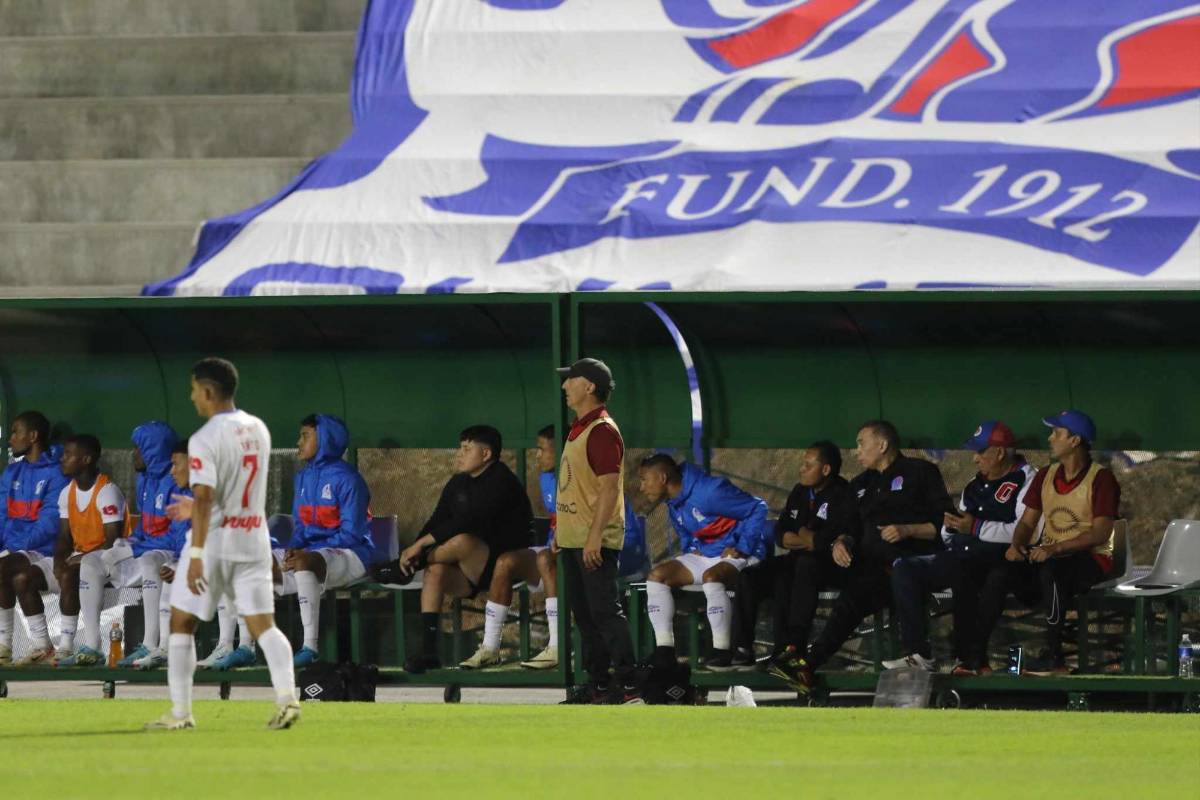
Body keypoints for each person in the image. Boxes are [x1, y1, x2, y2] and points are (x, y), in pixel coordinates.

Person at [145, 357, 300, 731]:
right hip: (254, 540)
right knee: (265, 625)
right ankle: (288, 700)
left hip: (215, 543)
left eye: (194, 390)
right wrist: (195, 506)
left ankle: (181, 713)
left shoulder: (205, 438)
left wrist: (195, 554)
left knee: (181, 622)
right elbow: (229, 489)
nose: (192, 397)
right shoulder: (258, 428)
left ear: (209, 391)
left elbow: (204, 497)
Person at [772, 420, 950, 694]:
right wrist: (841, 542)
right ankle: (792, 650)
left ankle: (808, 664)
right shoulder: (860, 485)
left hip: (909, 567)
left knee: (854, 597)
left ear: (882, 445)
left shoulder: (920, 472)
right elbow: (849, 527)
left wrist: (908, 530)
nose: (856, 452)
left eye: (861, 443)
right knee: (799, 566)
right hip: (864, 565)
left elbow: (945, 525)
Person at [881, 421, 1036, 673]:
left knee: (975, 578)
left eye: (980, 452)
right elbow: (949, 534)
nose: (975, 459)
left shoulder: (1028, 479)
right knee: (906, 568)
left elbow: (1023, 531)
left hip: (1005, 561)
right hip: (964, 555)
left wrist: (975, 528)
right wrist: (951, 528)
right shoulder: (974, 485)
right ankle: (919, 654)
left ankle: (970, 658)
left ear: (998, 452)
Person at [397, 424, 533, 674]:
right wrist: (415, 546)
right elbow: (437, 520)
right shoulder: (458, 482)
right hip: (471, 570)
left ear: (486, 454)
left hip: (505, 566)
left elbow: (468, 521)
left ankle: (413, 565)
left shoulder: (501, 480)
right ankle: (429, 652)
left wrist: (418, 549)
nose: (459, 454)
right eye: (460, 448)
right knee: (435, 571)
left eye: (467, 449)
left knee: (461, 541)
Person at [1002, 410, 1120, 674]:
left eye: (1056, 433)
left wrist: (1053, 549)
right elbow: (1027, 522)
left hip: (1093, 559)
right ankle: (979, 659)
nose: (1050, 438)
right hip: (1050, 556)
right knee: (999, 572)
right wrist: (1017, 544)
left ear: (1075, 441)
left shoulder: (1102, 479)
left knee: (1052, 572)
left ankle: (1053, 658)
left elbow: (1101, 534)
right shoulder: (1046, 474)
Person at [554, 358, 640, 704]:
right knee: (587, 616)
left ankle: (629, 684)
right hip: (574, 540)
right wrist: (560, 532)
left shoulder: (602, 430)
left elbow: (608, 489)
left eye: (570, 380)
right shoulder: (580, 428)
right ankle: (599, 685)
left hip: (594, 542)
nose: (564, 386)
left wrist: (593, 536)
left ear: (589, 387)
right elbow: (574, 487)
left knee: (604, 612)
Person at [730, 441, 856, 672]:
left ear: (826, 469)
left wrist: (805, 536)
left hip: (831, 565)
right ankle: (741, 649)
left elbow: (823, 541)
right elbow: (781, 535)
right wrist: (805, 536)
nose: (802, 469)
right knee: (749, 576)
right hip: (798, 559)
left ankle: (792, 648)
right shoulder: (800, 491)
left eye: (808, 465)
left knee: (801, 567)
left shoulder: (843, 494)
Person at [639, 453, 770, 670]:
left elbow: (758, 507)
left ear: (662, 478)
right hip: (707, 554)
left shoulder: (710, 491)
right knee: (656, 577)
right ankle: (664, 651)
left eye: (645, 479)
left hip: (740, 553)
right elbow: (686, 533)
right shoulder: (673, 501)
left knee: (712, 578)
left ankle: (722, 650)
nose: (642, 487)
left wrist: (743, 547)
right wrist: (692, 549)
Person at [459, 424, 561, 670]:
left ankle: (557, 645)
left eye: (542, 449)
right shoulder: (547, 478)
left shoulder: (582, 476)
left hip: (583, 551)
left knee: (546, 559)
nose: (537, 455)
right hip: (554, 550)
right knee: (506, 562)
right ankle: (490, 648)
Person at [283, 414, 373, 667]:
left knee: (304, 561)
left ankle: (309, 647)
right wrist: (294, 546)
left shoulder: (348, 479)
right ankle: (243, 646)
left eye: (305, 436)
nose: (298, 442)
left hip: (353, 554)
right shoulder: (302, 478)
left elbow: (352, 533)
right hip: (313, 553)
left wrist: (309, 551)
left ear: (324, 439)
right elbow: (300, 525)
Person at [45, 435, 128, 667]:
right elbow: (63, 536)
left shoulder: (106, 491)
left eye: (68, 455)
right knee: (31, 575)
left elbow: (112, 540)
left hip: (113, 559)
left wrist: (76, 560)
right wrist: (59, 559)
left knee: (73, 573)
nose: (62, 459)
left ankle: (66, 645)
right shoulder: (67, 492)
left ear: (86, 459)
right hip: (82, 557)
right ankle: (39, 646)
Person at [0, 411, 69, 666]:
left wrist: (12, 547)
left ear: (33, 436)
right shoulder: (12, 472)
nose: (11, 439)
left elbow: (50, 525)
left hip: (45, 551)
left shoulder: (57, 474)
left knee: (4, 567)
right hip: (17, 548)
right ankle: (19, 647)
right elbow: (1, 514)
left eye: (16, 432)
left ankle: (12, 645)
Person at [116, 421, 181, 668]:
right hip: (151, 546)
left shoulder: (177, 481)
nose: (134, 453)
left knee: (150, 560)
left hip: (172, 551)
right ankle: (85, 645)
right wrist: (129, 542)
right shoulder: (144, 479)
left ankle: (154, 643)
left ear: (154, 450)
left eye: (139, 448)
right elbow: (145, 526)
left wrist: (135, 548)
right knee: (93, 562)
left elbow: (177, 535)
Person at [131, 440, 194, 669]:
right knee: (170, 574)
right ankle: (165, 649)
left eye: (177, 464)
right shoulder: (186, 496)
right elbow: (184, 541)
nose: (173, 471)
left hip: (228, 565)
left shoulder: (211, 495)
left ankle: (234, 645)